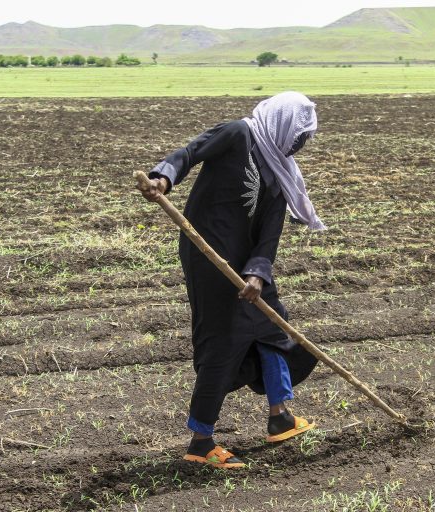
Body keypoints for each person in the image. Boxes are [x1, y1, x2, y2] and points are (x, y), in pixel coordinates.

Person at [140, 91, 326, 469]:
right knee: (225, 339)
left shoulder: (280, 172)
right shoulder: (238, 133)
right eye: (298, 135)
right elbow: (189, 153)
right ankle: (201, 442)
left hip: (246, 267)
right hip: (209, 256)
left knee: (274, 328)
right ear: (282, 123)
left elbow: (269, 235)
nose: (299, 144)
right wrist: (163, 178)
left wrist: (258, 272)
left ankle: (280, 416)